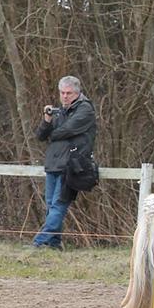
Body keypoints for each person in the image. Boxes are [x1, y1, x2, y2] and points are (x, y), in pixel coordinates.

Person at [32, 75, 97, 248]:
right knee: (50, 206)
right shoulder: (60, 111)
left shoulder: (85, 109)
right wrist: (47, 120)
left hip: (71, 165)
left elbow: (65, 130)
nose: (65, 96)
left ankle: (40, 241)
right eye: (62, 93)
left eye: (68, 93)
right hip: (53, 164)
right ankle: (54, 244)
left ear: (77, 93)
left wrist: (52, 133)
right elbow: (40, 136)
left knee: (59, 205)